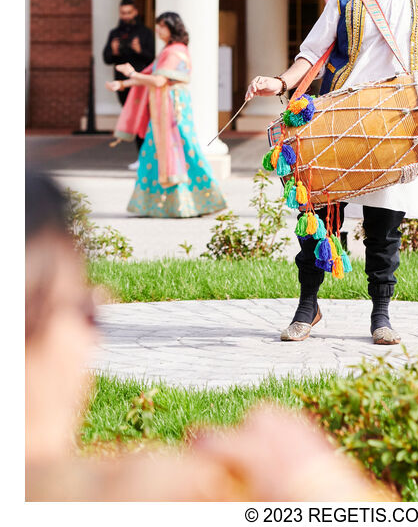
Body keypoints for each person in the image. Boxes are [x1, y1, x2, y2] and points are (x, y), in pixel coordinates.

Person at [25, 169, 391, 502]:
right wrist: (314, 483)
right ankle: (311, 306)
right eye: (86, 311)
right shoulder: (136, 495)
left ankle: (380, 311)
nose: (94, 338)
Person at [246, 0, 418, 345]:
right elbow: (312, 50)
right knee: (320, 221)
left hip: (397, 125)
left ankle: (381, 316)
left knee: (385, 227)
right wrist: (281, 81)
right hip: (340, 119)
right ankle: (308, 308)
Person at [107, 12, 226, 218]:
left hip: (173, 110)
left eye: (162, 26)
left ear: (173, 28)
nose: (158, 30)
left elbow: (159, 81)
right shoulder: (167, 51)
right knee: (152, 153)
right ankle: (158, 205)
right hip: (162, 109)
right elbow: (150, 76)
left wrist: (131, 74)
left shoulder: (176, 52)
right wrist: (123, 83)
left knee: (186, 150)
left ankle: (204, 200)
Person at [103, 0, 155, 168]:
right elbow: (107, 58)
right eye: (122, 13)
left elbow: (153, 58)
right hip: (123, 83)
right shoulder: (115, 33)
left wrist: (139, 50)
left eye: (128, 12)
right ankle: (141, 156)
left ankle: (145, 157)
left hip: (141, 83)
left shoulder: (145, 33)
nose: (125, 16)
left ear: (135, 12)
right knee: (134, 118)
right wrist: (115, 50)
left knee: (143, 118)